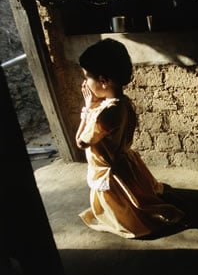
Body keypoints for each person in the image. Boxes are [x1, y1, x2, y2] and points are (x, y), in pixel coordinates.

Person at [75, 38, 188, 239]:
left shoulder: (103, 113)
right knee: (137, 195)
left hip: (109, 171)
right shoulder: (122, 103)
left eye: (86, 77)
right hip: (123, 162)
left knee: (127, 210)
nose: (84, 82)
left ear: (103, 80)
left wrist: (87, 109)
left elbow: (81, 141)